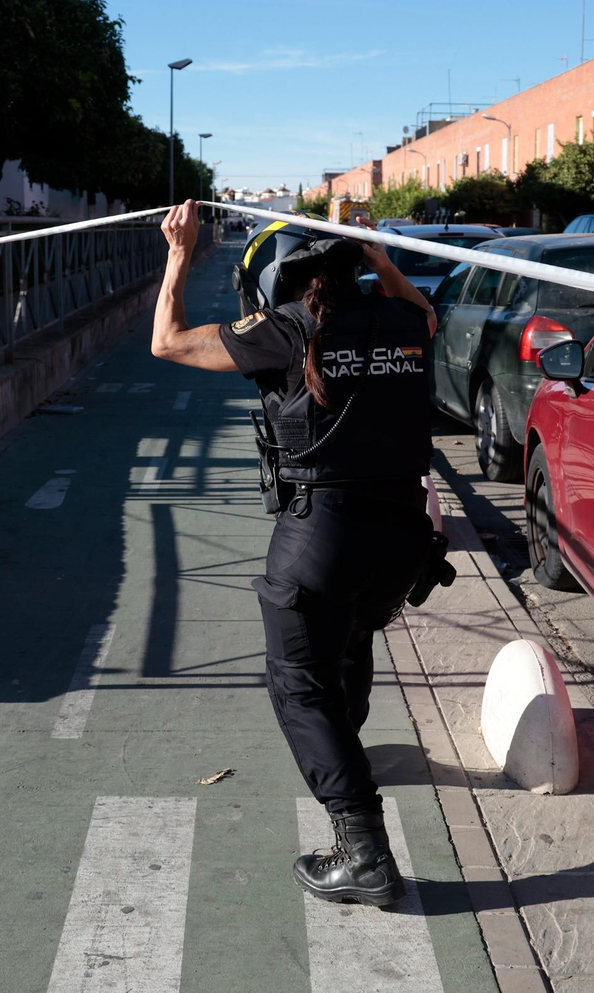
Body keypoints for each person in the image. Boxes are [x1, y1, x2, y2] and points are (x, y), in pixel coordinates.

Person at [151, 200, 442, 908]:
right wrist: (387, 264)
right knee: (349, 633)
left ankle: (363, 850)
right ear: (357, 266)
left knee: (300, 684)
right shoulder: (404, 320)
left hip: (325, 534)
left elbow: (168, 341)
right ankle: (350, 746)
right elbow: (427, 318)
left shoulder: (284, 331)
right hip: (403, 537)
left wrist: (180, 253)